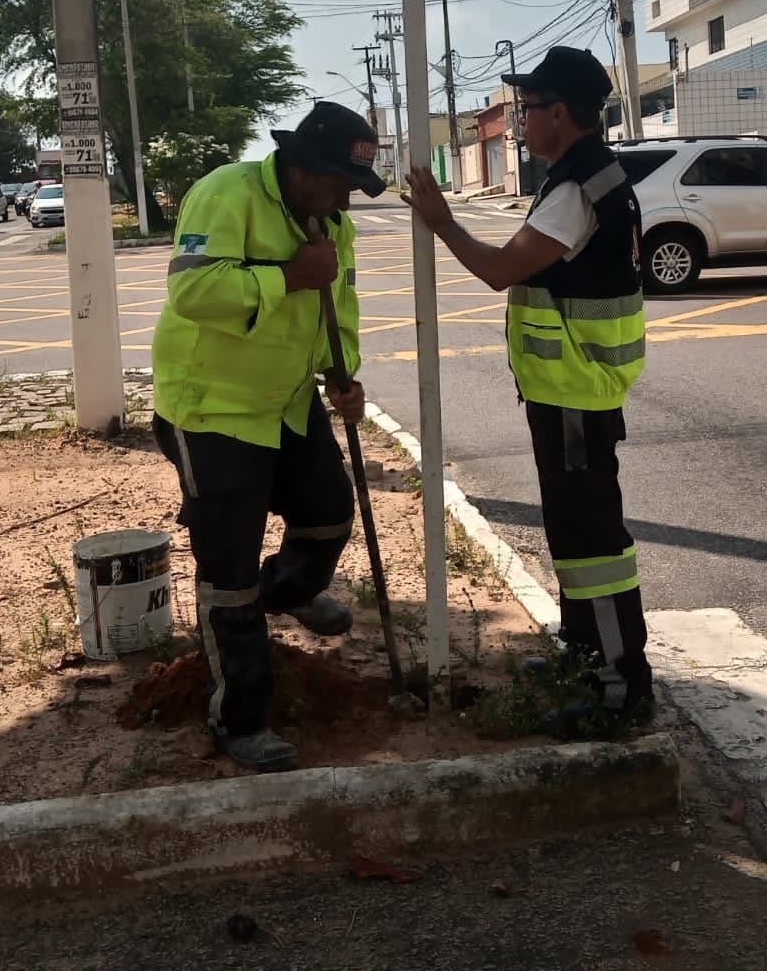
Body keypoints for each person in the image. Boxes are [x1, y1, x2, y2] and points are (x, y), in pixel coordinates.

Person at [403, 46, 652, 726]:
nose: (520, 123)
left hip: (577, 386)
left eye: (528, 110)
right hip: (573, 384)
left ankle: (619, 684)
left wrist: (442, 220)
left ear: (560, 113)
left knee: (592, 537)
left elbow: (498, 269)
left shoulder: (576, 191)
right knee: (575, 528)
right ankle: (585, 649)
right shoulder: (585, 175)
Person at [151, 102, 386, 773]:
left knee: (328, 516)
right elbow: (193, 293)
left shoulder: (331, 222)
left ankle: (282, 592)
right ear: (304, 166)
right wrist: (287, 276)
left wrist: (342, 376)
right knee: (227, 574)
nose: (346, 199)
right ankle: (240, 717)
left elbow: (338, 306)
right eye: (340, 182)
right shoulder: (226, 192)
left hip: (285, 399)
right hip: (213, 408)